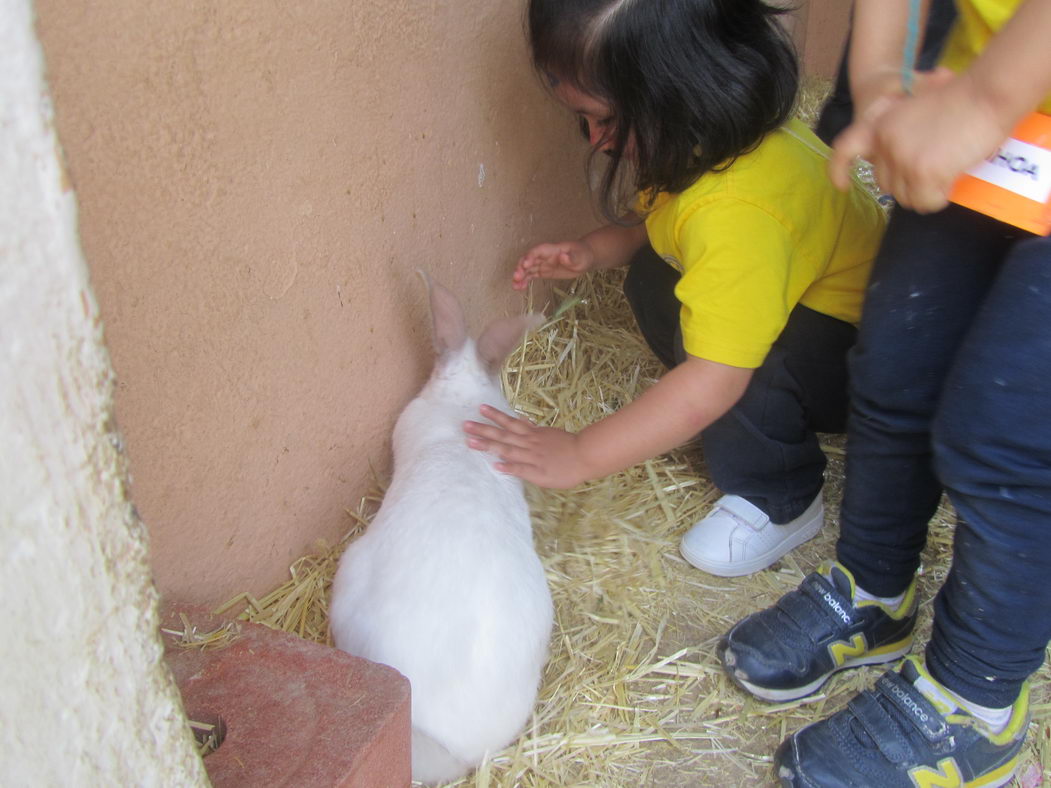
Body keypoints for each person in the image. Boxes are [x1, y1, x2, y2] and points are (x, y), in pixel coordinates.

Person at [719, 0, 1051, 784]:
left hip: (985, 104)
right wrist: (878, 88)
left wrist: (980, 102)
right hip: (985, 120)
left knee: (1013, 432)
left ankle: (975, 704)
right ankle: (872, 590)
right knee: (898, 357)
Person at [462, 0, 886, 579]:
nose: (594, 139)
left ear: (675, 90)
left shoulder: (738, 213)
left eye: (605, 118)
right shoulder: (712, 134)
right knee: (655, 279)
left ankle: (780, 496)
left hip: (861, 369)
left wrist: (581, 454)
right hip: (831, 325)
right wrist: (590, 251)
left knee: (735, 352)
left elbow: (713, 381)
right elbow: (658, 224)